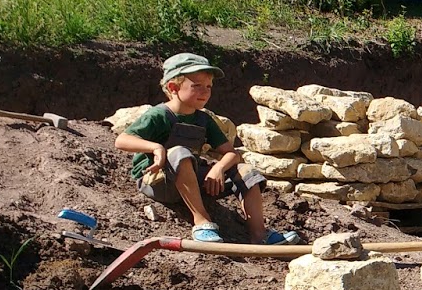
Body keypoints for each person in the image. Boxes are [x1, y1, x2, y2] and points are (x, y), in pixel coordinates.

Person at [115, 52, 298, 244]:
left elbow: (231, 153)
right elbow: (122, 140)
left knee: (246, 171)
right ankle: (202, 222)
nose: (205, 92)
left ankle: (259, 235)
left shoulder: (203, 119)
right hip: (157, 183)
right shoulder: (158, 115)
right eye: (197, 86)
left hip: (190, 181)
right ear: (173, 87)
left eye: (209, 86)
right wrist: (156, 148)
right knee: (179, 152)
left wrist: (218, 168)